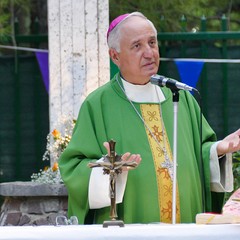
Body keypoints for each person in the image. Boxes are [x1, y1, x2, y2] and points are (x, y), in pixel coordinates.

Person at [59, 12, 240, 224]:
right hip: (131, 228)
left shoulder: (180, 96)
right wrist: (108, 168)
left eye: (152, 43)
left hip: (186, 228)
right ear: (115, 56)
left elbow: (195, 156)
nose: (149, 53)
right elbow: (74, 169)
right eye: (137, 46)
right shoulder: (97, 104)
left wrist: (216, 151)